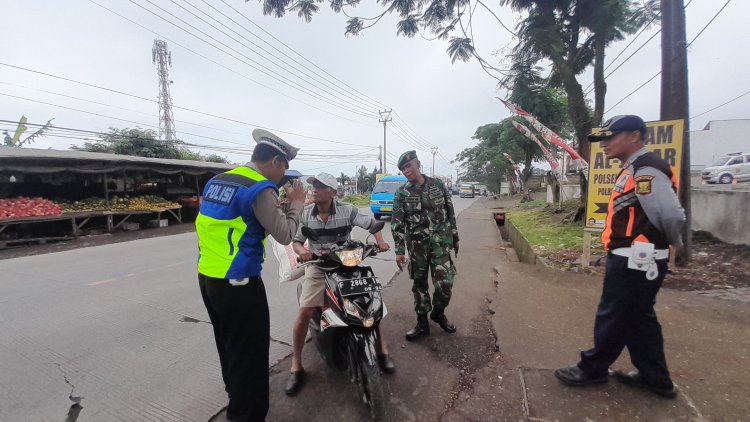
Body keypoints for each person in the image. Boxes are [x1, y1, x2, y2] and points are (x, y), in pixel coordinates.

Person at [554, 115, 685, 399]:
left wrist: (672, 244)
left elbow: (672, 215)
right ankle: (655, 377)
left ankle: (593, 368)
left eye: (610, 138)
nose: (604, 145)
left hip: (638, 259)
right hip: (634, 257)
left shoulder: (646, 167)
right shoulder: (632, 168)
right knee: (639, 318)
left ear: (635, 136)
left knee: (615, 315)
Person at [196, 129, 306, 421]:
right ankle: (248, 415)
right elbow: (284, 234)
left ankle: (236, 403)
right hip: (240, 283)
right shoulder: (260, 187)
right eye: (283, 169)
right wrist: (296, 202)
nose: (282, 178)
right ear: (275, 161)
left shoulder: (217, 181)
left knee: (229, 345)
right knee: (252, 355)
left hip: (208, 278)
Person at [285, 172, 395, 396]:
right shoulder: (306, 214)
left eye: (320, 186)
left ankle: (383, 351)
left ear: (333, 193)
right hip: (318, 265)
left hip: (347, 263)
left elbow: (373, 225)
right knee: (305, 311)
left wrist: (381, 243)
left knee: (371, 304)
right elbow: (296, 242)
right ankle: (296, 365)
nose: (314, 189)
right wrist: (303, 252)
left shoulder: (348, 210)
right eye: (314, 186)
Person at [391, 151, 459, 341]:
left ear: (418, 164)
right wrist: (399, 251)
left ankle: (438, 313)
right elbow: (397, 223)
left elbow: (449, 211)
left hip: (440, 245)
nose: (406, 171)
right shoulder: (402, 193)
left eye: (408, 167)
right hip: (417, 249)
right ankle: (422, 323)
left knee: (445, 284)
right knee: (419, 286)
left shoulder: (437, 185)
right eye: (403, 169)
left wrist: (455, 237)